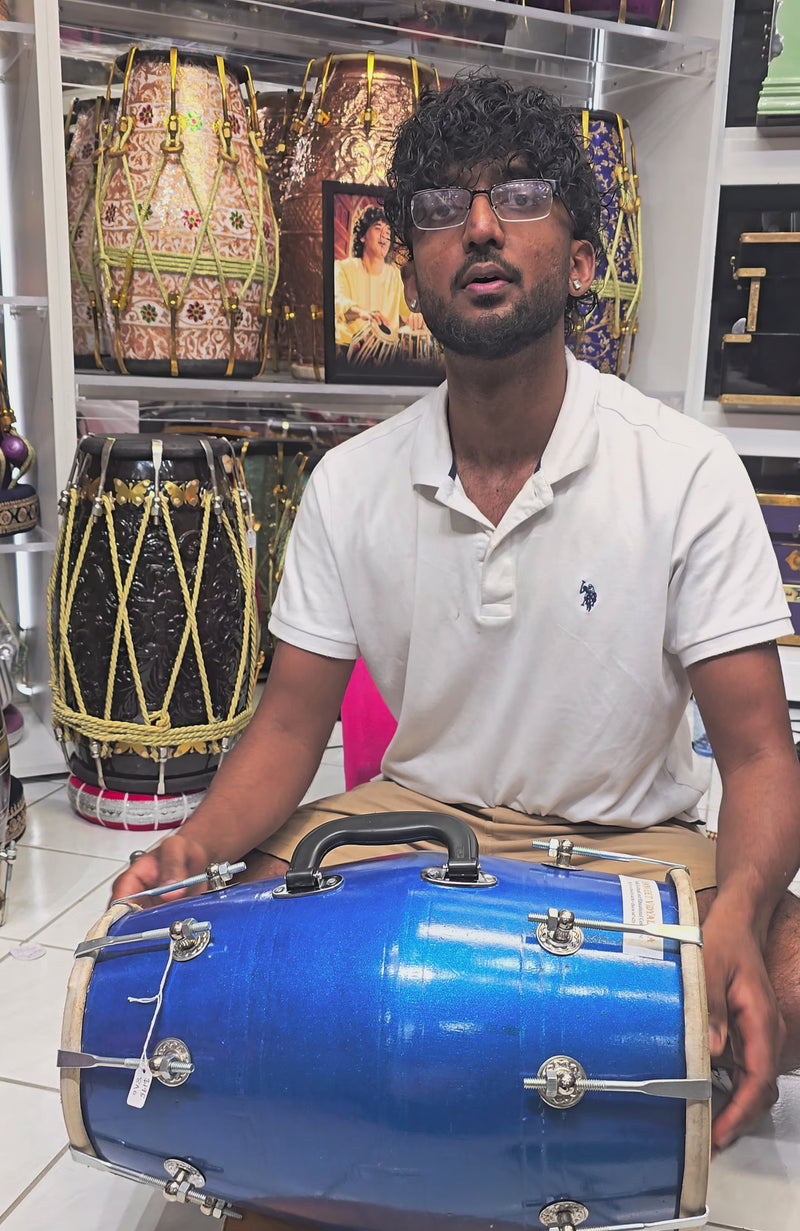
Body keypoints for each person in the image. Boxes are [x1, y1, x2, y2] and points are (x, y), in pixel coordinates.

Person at [113, 76, 800, 1157]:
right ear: (403, 268)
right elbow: (288, 727)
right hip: (410, 826)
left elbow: (757, 753)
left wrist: (742, 914)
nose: (479, 226)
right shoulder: (348, 483)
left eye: (519, 195)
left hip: (629, 843)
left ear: (582, 261)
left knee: (791, 970)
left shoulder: (684, 472)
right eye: (440, 206)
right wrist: (190, 846)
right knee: (210, 958)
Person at [333, 204, 424, 353]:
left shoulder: (395, 275)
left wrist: (416, 314)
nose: (385, 235)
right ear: (363, 236)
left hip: (387, 355)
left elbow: (410, 308)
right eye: (378, 228)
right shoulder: (342, 268)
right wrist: (362, 313)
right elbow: (338, 302)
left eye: (388, 231)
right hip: (347, 351)